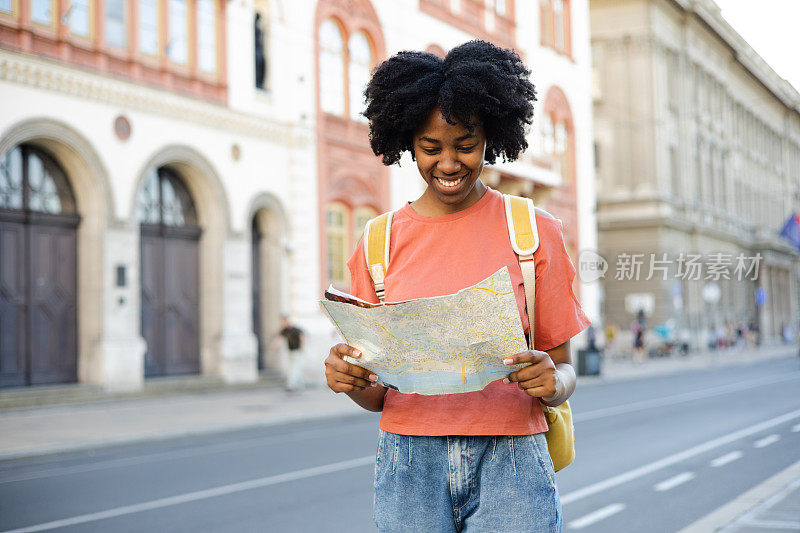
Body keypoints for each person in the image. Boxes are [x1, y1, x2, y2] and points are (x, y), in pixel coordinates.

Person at [323, 41, 590, 532]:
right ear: (408, 142)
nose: (449, 163)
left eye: (466, 145)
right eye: (431, 148)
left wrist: (554, 383)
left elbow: (566, 371)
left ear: (492, 136)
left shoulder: (533, 232)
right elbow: (379, 393)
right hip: (408, 466)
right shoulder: (378, 242)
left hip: (512, 462)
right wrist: (350, 382)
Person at [279, 316, 304, 391]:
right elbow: (279, 338)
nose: (283, 324)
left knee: (294, 368)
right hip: (290, 351)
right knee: (295, 367)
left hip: (296, 351)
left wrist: (301, 347)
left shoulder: (295, 329)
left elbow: (302, 337)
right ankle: (300, 385)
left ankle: (291, 384)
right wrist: (272, 348)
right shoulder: (285, 330)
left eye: (284, 322)